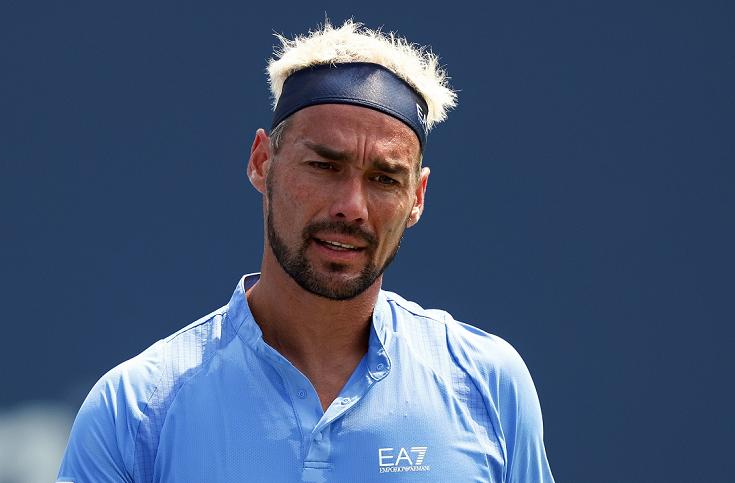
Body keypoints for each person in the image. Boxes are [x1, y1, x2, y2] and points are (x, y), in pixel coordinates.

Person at [57, 20, 554, 483]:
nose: (351, 207)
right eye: (324, 166)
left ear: (416, 198)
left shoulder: (489, 385)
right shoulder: (136, 408)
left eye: (384, 179)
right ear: (261, 162)